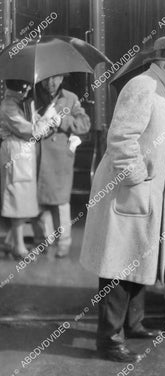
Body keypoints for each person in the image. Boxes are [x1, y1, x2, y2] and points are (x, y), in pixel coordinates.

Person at [79, 36, 165, 363]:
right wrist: (138, 176)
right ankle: (110, 340)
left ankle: (133, 323)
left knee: (137, 256)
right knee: (118, 265)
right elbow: (121, 138)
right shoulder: (143, 86)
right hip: (128, 189)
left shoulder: (164, 89)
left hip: (146, 192)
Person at [33, 74, 91, 258]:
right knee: (40, 201)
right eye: (47, 79)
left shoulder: (71, 98)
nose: (51, 83)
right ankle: (44, 240)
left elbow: (84, 124)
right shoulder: (33, 98)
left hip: (60, 158)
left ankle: (64, 242)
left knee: (60, 203)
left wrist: (62, 121)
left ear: (62, 78)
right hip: (38, 156)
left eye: (55, 78)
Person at [0, 80, 50, 259]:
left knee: (22, 197)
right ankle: (18, 247)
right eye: (25, 86)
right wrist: (46, 119)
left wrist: (36, 117)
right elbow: (30, 131)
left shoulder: (18, 104)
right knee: (17, 198)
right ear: (19, 87)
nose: (28, 89)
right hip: (16, 154)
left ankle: (10, 242)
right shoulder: (8, 106)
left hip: (23, 154)